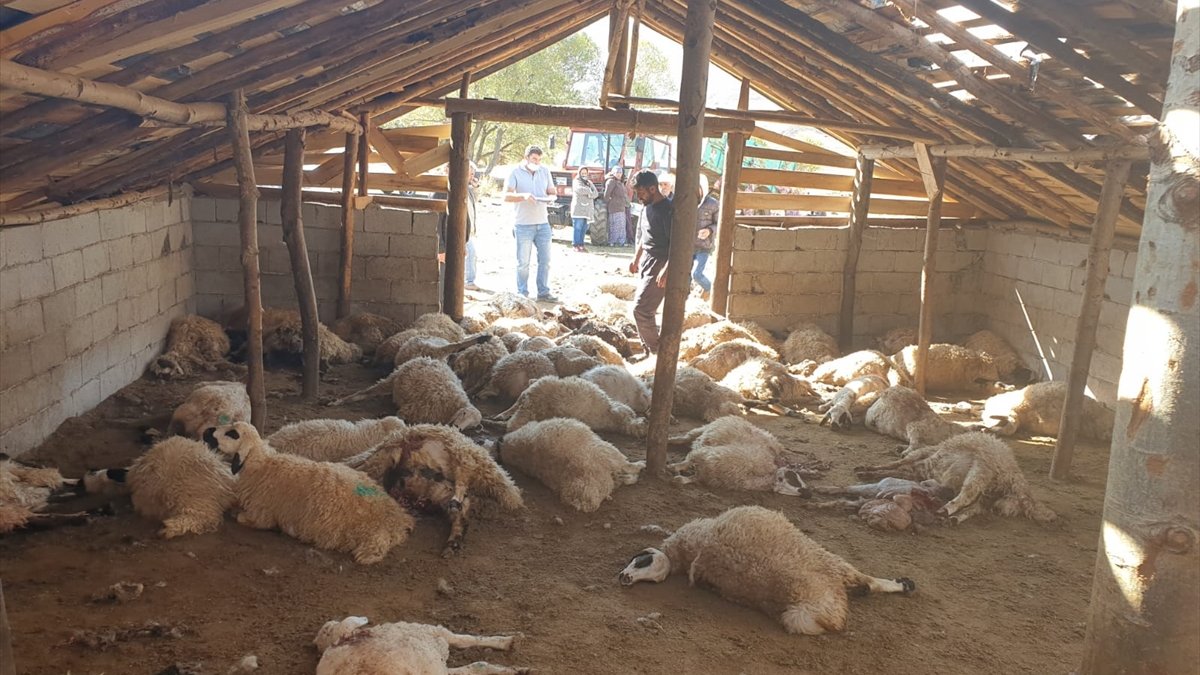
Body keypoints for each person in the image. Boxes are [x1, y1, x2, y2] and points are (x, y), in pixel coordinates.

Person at [627, 170, 673, 357]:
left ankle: (657, 353)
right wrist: (636, 258)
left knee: (642, 310)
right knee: (644, 310)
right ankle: (648, 351)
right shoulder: (646, 208)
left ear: (653, 188)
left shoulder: (668, 210)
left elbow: (676, 244)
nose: (639, 197)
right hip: (647, 260)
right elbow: (644, 238)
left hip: (660, 262)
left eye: (641, 193)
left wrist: (666, 269)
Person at [504, 145, 557, 302]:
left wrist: (552, 197)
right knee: (523, 262)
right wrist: (524, 196)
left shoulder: (545, 171)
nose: (537, 162)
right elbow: (506, 196)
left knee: (545, 261)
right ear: (526, 158)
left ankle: (543, 292)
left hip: (543, 223)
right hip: (523, 224)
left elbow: (552, 191)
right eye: (534, 159)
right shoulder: (515, 172)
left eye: (540, 159)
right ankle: (522, 293)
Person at [692, 174, 719, 300]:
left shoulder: (713, 204)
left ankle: (710, 289)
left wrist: (709, 231)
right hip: (688, 245)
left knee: (696, 274)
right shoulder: (687, 202)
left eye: (698, 187)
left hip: (704, 246)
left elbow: (719, 224)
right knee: (685, 275)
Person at [569, 166, 597, 253]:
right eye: (582, 173)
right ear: (579, 173)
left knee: (584, 228)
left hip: (587, 210)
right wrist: (589, 191)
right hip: (579, 210)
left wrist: (589, 193)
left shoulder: (589, 182)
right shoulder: (576, 181)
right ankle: (575, 245)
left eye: (585, 173)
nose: (584, 175)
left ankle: (581, 245)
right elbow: (579, 190)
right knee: (578, 227)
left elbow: (595, 193)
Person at [603, 166, 630, 247]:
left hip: (621, 206)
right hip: (614, 206)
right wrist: (609, 202)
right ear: (613, 173)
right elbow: (606, 195)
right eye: (617, 172)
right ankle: (612, 241)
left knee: (621, 224)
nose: (619, 174)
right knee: (614, 224)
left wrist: (627, 203)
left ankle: (621, 241)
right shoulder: (611, 181)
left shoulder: (620, 182)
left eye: (620, 172)